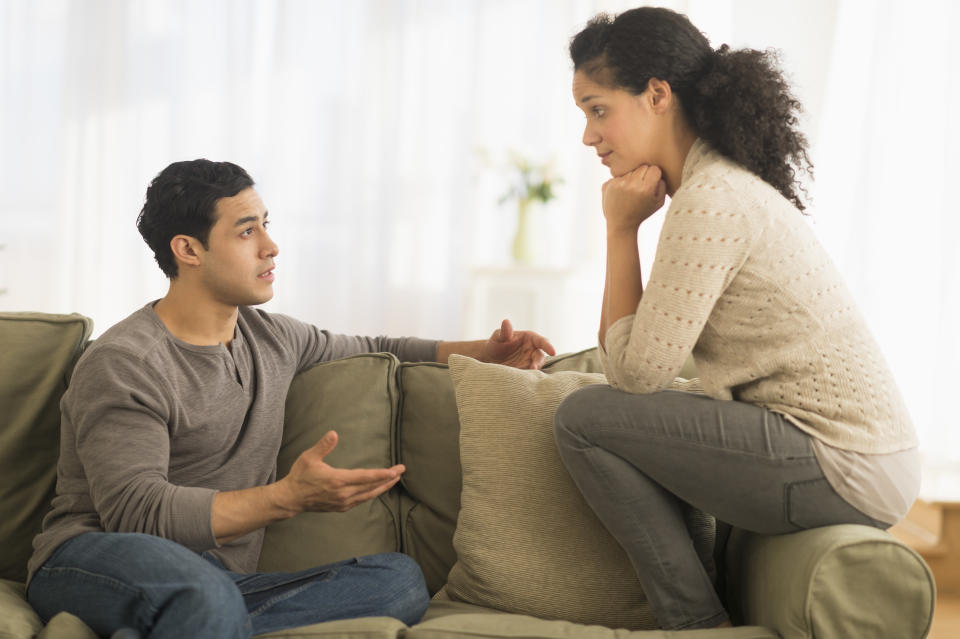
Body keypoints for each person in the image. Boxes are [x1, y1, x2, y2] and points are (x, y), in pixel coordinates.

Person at [26, 159, 556, 638]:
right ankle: (200, 616)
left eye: (266, 226)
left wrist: (483, 352)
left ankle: (196, 624)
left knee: (398, 582)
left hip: (218, 580)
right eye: (246, 231)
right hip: (93, 559)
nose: (270, 247)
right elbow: (137, 513)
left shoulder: (273, 338)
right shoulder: (127, 360)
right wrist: (288, 497)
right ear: (188, 249)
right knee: (202, 595)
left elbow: (380, 347)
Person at [553, 6, 920, 631]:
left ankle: (695, 624)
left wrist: (619, 231)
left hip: (843, 459)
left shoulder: (711, 200)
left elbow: (635, 374)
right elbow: (633, 365)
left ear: (657, 94)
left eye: (597, 109)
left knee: (582, 419)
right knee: (599, 414)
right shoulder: (716, 187)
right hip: (853, 458)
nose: (589, 136)